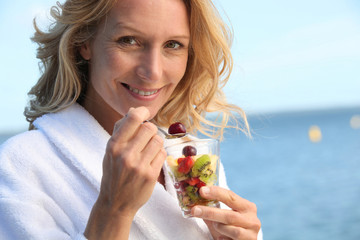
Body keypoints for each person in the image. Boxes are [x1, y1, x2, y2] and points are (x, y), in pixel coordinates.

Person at [0, 0, 262, 239]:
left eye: (173, 45)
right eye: (129, 40)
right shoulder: (19, 167)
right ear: (84, 42)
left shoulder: (189, 157)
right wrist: (114, 210)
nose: (152, 71)